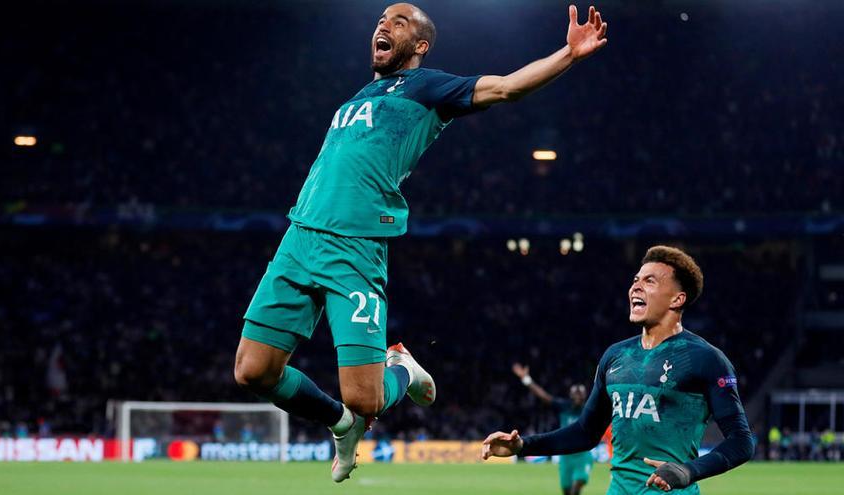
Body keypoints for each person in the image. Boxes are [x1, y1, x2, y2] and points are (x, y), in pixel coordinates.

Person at [233, 2, 609, 483]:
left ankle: (403, 372)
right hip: (298, 238)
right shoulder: (356, 97)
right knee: (252, 369)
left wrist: (568, 55)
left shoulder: (428, 87)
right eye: (380, 20)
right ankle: (341, 426)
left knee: (365, 397)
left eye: (399, 22)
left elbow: (506, 87)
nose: (383, 26)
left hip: (355, 248)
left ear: (420, 45)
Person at [483, 246, 755, 493]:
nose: (635, 287)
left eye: (650, 281)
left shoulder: (706, 359)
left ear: (677, 299)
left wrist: (688, 470)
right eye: (636, 280)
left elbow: (742, 441)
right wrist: (523, 446)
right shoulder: (615, 356)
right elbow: (586, 432)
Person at [513, 362, 593, 495]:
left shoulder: (589, 409)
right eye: (576, 394)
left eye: (581, 394)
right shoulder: (564, 406)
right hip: (565, 456)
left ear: (585, 396)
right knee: (566, 491)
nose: (578, 396)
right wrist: (526, 380)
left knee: (576, 488)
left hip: (583, 455)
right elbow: (544, 397)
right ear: (571, 396)